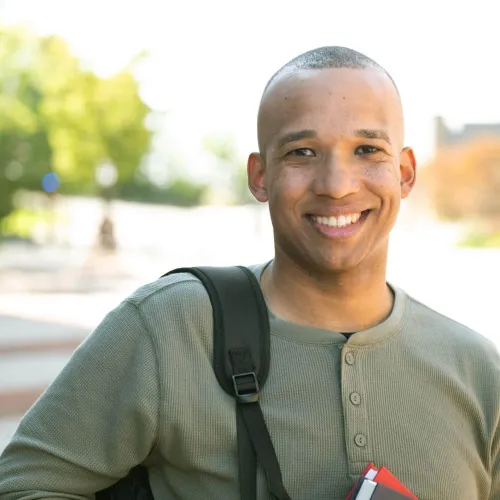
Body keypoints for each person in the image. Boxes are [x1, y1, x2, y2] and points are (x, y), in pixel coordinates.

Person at [0, 46, 499, 500]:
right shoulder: (168, 327)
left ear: (405, 172)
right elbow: (23, 485)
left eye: (367, 150)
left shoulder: (478, 371)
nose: (337, 185)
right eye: (302, 152)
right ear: (260, 177)